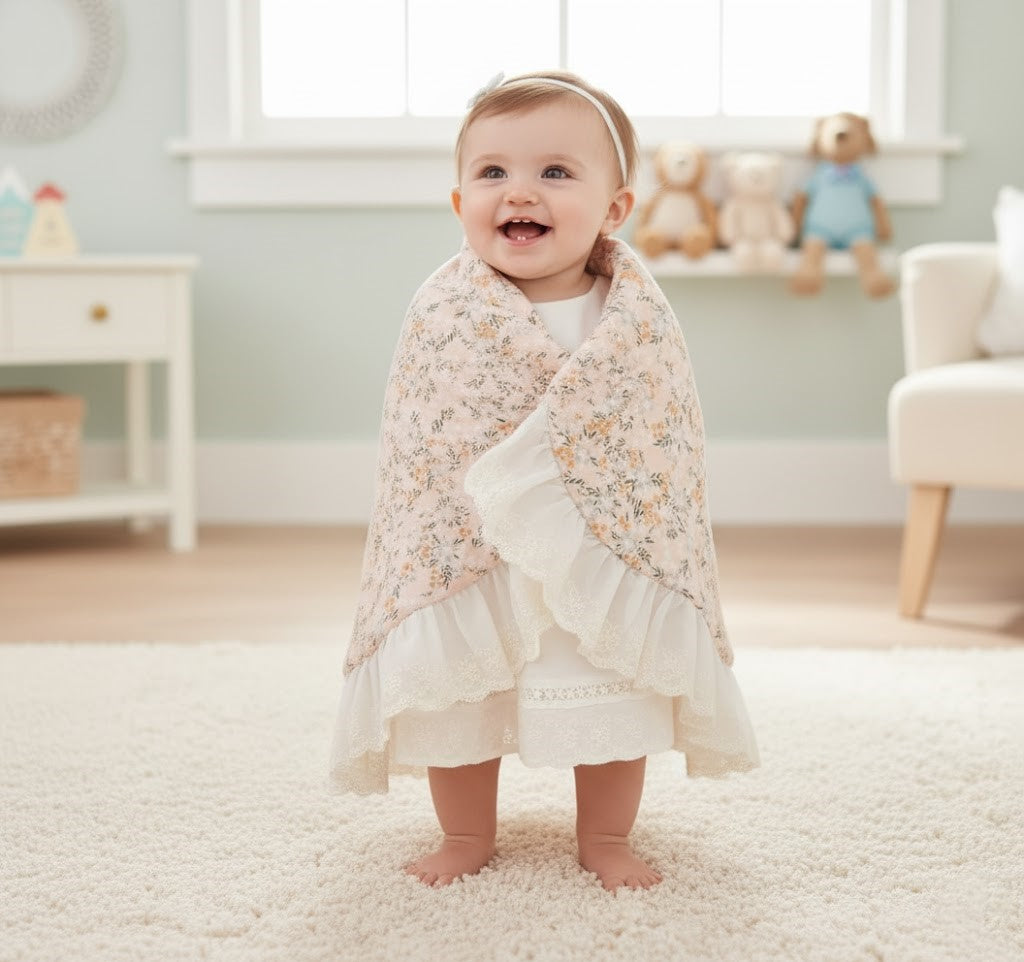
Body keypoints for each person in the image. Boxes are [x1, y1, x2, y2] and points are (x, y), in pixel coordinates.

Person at [328, 70, 760, 893]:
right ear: (460, 201)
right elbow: (422, 446)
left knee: (613, 677)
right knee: (460, 692)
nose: (519, 191)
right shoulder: (442, 311)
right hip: (472, 551)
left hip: (598, 547)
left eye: (556, 172)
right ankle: (464, 832)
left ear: (615, 208)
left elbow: (659, 441)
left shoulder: (634, 318)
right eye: (492, 172)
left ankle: (606, 834)